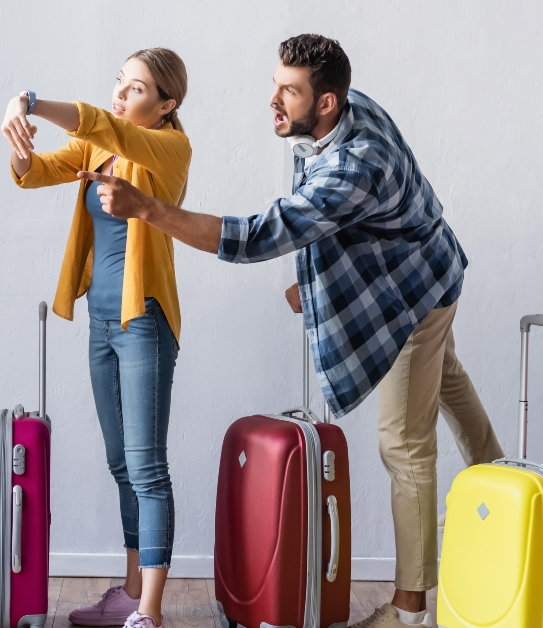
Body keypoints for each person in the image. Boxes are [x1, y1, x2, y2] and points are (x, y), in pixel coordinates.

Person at [79, 34, 501, 628]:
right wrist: (319, 279)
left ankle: (409, 609)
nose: (273, 99)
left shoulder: (356, 162)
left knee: (403, 444)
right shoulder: (349, 108)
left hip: (410, 296)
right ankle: (509, 502)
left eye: (289, 91)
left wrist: (150, 210)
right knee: (449, 386)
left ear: (326, 101)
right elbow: (359, 218)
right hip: (428, 264)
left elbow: (258, 235)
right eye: (276, 82)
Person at [2, 49, 191, 628]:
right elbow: (37, 172)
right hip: (102, 324)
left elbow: (100, 123)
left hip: (144, 322)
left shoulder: (166, 147)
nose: (121, 93)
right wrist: (20, 141)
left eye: (136, 88)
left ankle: (151, 612)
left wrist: (32, 99)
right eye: (120, 82)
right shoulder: (100, 147)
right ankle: (133, 590)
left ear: (166, 104)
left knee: (147, 466)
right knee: (119, 463)